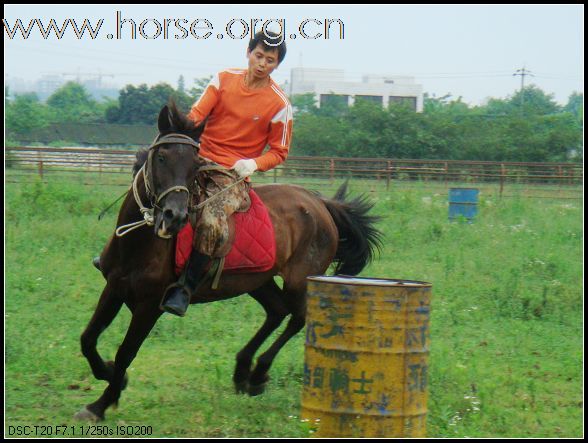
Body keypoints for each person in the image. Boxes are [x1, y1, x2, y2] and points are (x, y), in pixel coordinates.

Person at [160, 30, 293, 316]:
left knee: (211, 220)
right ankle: (118, 257)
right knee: (158, 190)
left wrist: (254, 164)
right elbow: (196, 116)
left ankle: (185, 288)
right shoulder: (222, 80)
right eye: (258, 56)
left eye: (270, 60)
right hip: (199, 159)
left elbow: (280, 151)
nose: (262, 64)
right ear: (248, 53)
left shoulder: (280, 104)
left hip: (231, 175)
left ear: (277, 65)